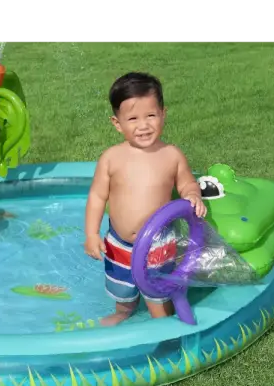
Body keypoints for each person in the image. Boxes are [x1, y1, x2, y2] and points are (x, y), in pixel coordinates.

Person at [84, 72, 207, 326]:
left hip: (158, 244)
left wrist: (193, 195)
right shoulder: (111, 158)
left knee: (158, 296)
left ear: (163, 114)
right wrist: (91, 234)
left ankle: (162, 322)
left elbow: (186, 183)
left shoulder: (171, 155)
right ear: (117, 123)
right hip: (120, 244)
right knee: (122, 288)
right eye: (133, 119)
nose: (143, 125)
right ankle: (124, 311)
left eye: (151, 115)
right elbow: (97, 196)